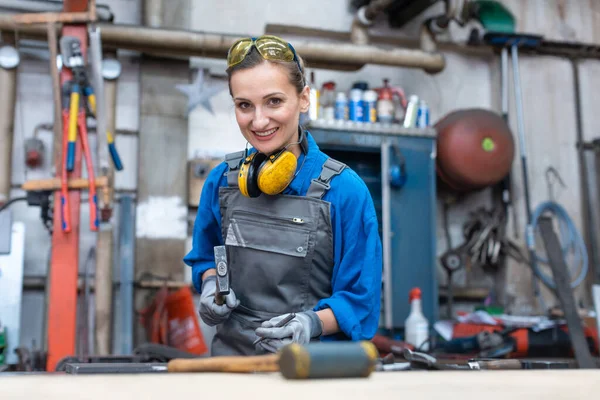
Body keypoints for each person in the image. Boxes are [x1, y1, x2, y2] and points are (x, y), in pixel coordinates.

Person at [183, 35, 382, 356]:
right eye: (244, 105)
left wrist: (310, 324)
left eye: (274, 101)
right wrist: (209, 285)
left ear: (304, 99)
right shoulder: (223, 180)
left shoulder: (344, 190)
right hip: (232, 368)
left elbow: (361, 301)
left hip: (311, 371)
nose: (258, 121)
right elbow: (206, 257)